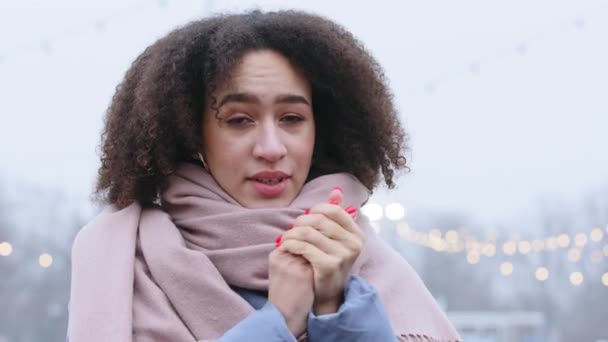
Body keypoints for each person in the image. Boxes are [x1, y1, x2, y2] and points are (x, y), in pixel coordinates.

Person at [67, 9, 461, 342]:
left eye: (292, 119)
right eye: (239, 120)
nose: (271, 148)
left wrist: (335, 310)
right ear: (190, 134)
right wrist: (281, 319)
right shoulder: (126, 261)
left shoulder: (364, 263)